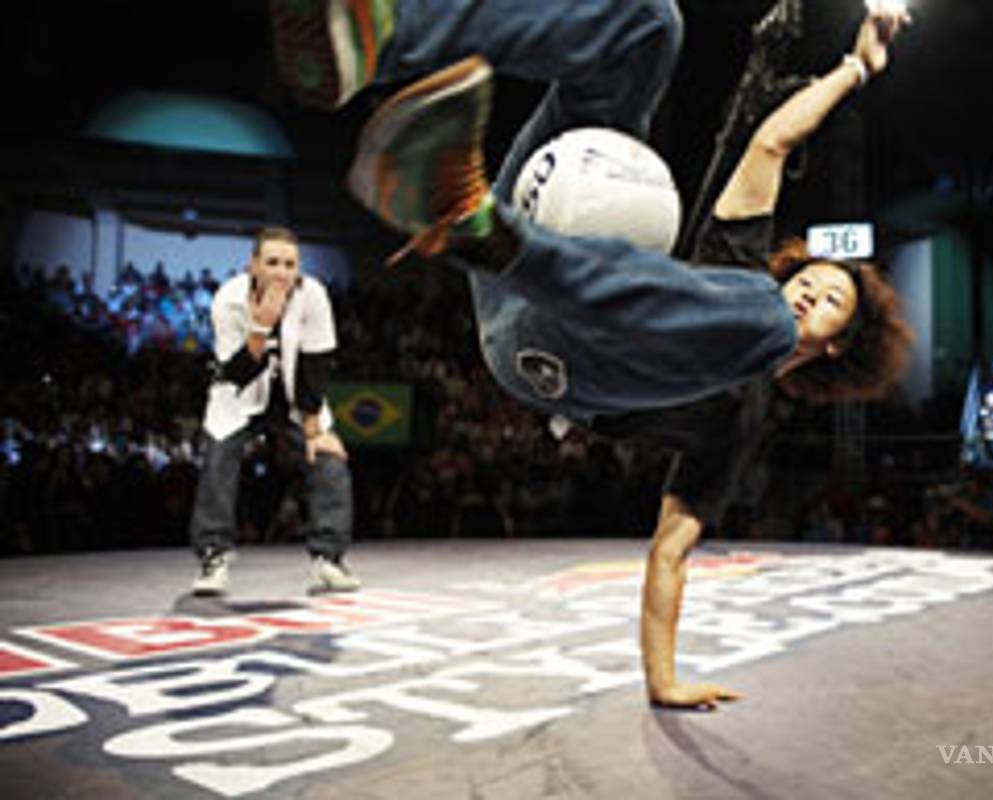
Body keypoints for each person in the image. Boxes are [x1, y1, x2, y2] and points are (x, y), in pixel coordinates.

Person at [272, 0, 911, 708]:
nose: (807, 292)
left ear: (838, 345)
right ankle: (379, 37)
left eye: (829, 301)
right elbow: (771, 144)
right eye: (810, 280)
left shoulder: (739, 414)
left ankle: (480, 229)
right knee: (650, 27)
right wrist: (857, 66)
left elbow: (671, 550)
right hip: (530, 227)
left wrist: (664, 680)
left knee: (759, 323)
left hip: (542, 353)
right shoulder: (742, 263)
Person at [188, 226, 360, 595]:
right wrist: (260, 327)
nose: (282, 272)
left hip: (296, 398)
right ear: (253, 265)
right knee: (218, 461)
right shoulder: (228, 300)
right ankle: (213, 555)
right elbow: (235, 373)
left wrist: (314, 430)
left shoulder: (313, 295)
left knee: (329, 460)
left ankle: (329, 558)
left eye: (289, 264)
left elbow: (317, 363)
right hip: (240, 397)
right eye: (272, 262)